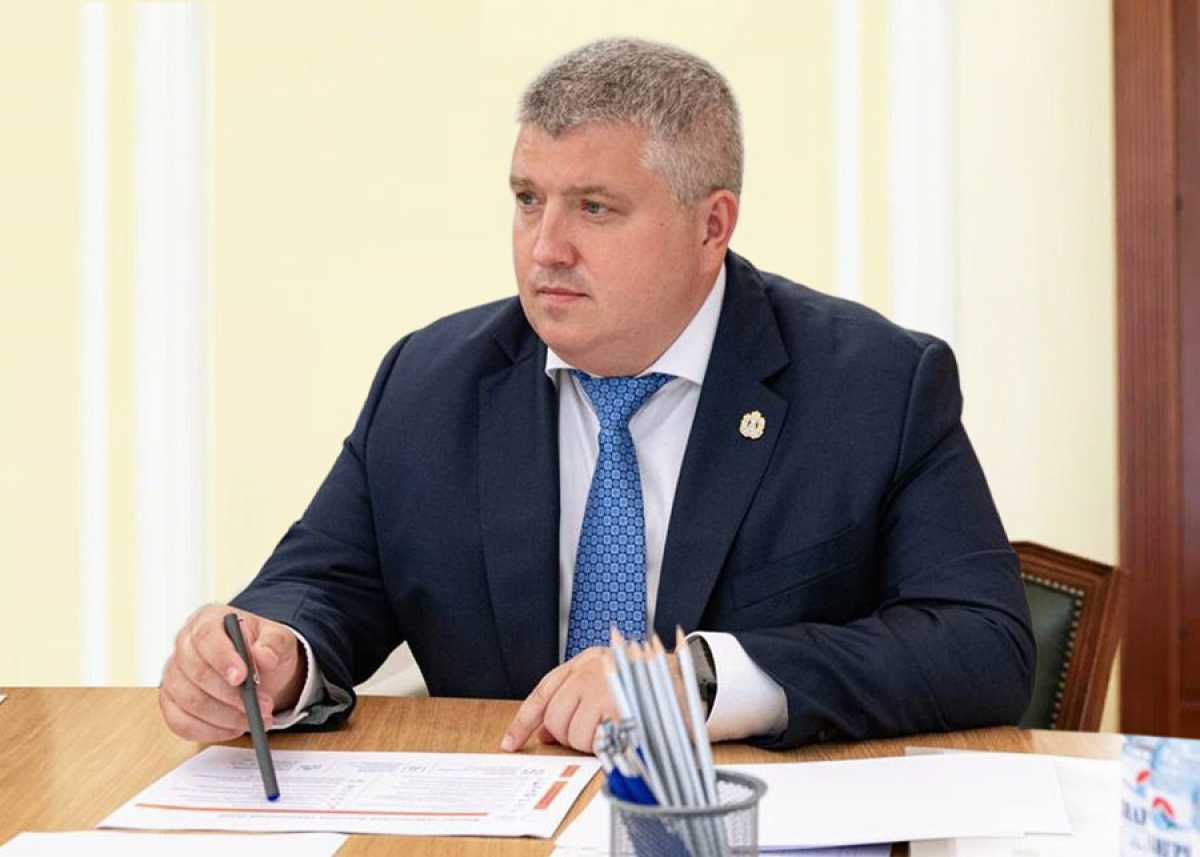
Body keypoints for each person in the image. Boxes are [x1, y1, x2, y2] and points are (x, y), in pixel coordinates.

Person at [158, 37, 1034, 754]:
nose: (545, 247)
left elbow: (983, 644)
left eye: (594, 208)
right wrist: (271, 655)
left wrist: (699, 681)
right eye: (527, 199)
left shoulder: (874, 386)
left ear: (712, 226)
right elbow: (321, 584)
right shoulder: (431, 381)